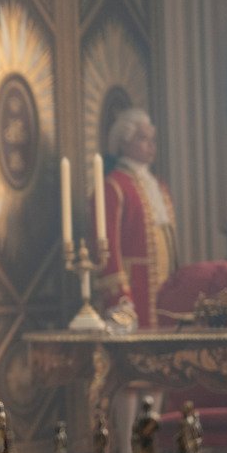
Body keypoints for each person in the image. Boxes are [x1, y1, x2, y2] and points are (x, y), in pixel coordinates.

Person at [95, 107, 178, 330]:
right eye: (143, 139)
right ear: (122, 142)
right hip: (134, 289)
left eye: (153, 139)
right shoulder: (113, 185)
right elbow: (107, 246)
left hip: (166, 290)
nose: (151, 145)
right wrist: (120, 298)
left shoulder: (159, 186)